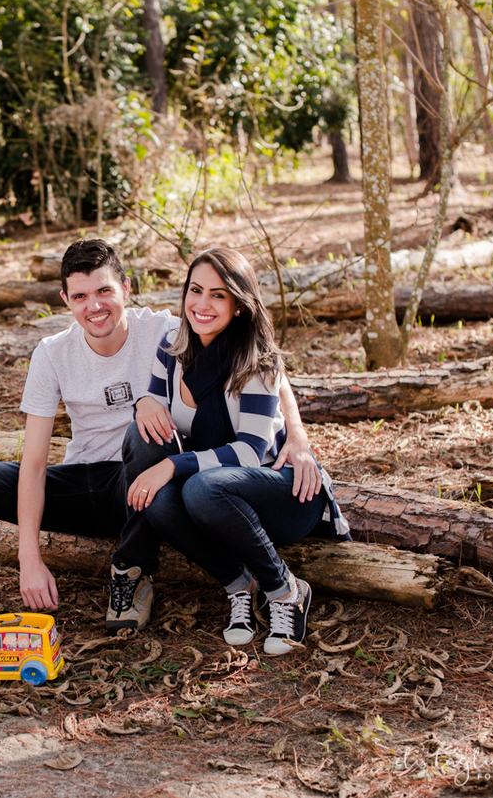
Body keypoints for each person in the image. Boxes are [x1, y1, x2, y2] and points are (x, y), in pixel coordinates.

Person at [0, 240, 321, 659]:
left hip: (155, 487)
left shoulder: (166, 329)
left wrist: (296, 439)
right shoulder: (52, 353)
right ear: (65, 300)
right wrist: (29, 559)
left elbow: (261, 362)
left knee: (142, 434)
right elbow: (34, 464)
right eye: (79, 297)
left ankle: (132, 569)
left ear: (126, 288)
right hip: (91, 486)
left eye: (104, 292)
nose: (94, 307)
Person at [125, 248, 350, 655]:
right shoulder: (171, 352)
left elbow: (251, 451)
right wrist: (143, 402)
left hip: (280, 490)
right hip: (216, 497)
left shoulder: (257, 362)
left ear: (239, 306)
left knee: (199, 488)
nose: (202, 304)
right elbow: (155, 410)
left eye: (218, 295)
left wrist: (173, 465)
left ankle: (285, 591)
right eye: (196, 290)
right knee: (161, 502)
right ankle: (238, 584)